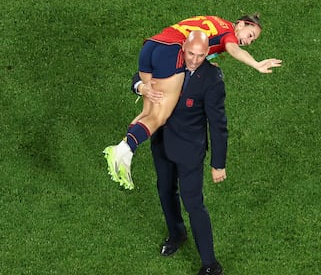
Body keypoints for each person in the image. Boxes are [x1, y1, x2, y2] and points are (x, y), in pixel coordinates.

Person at [104, 14, 281, 190]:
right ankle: (121, 151)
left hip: (152, 46)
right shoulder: (228, 34)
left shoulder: (215, 21)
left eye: (253, 40)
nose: (249, 42)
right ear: (241, 24)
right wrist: (256, 64)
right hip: (172, 51)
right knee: (160, 116)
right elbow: (234, 49)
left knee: (147, 113)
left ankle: (124, 158)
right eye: (250, 35)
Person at [149, 30, 227, 275]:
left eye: (201, 55)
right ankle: (177, 232)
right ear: (183, 47)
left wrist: (218, 163)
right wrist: (142, 87)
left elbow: (218, 125)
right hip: (161, 141)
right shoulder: (169, 61)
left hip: (189, 150)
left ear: (208, 54)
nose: (194, 60)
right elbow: (138, 76)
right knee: (164, 189)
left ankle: (210, 265)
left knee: (194, 205)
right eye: (191, 53)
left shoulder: (212, 80)